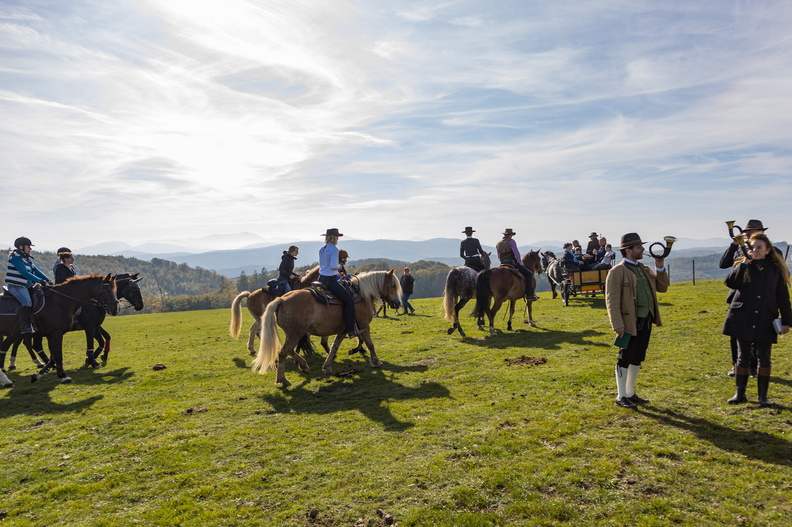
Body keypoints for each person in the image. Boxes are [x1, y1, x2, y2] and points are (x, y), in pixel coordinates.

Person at [722, 232, 791, 406]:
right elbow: (731, 283)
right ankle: (740, 394)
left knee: (764, 358)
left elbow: (783, 297)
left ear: (768, 250)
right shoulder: (743, 265)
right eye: (752, 247)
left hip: (766, 318)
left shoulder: (776, 270)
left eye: (759, 247)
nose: (755, 250)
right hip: (742, 316)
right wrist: (744, 263)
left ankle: (763, 397)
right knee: (742, 357)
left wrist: (787, 321)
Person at [605, 233, 669, 409]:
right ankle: (621, 395)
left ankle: (631, 393)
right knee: (625, 357)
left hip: (646, 320)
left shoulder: (644, 269)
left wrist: (660, 267)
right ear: (628, 250)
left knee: (638, 356)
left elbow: (662, 288)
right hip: (627, 322)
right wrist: (617, 324)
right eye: (639, 247)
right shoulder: (616, 272)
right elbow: (611, 301)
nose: (642, 250)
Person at [718, 219, 779, 377]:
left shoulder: (772, 250)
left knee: (756, 334)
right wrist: (733, 245)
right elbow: (723, 264)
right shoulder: (740, 249)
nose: (748, 234)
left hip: (761, 298)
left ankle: (752, 366)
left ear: (762, 232)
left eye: (751, 232)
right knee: (736, 334)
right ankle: (736, 365)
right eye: (746, 232)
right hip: (738, 297)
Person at [6, 237, 51, 334]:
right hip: (16, 286)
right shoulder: (16, 258)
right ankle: (24, 327)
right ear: (21, 247)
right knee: (27, 302)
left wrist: (47, 279)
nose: (30, 249)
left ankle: (33, 323)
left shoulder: (27, 258)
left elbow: (36, 270)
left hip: (25, 286)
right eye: (29, 246)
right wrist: (40, 281)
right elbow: (24, 273)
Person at [318, 228, 357, 338]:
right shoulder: (334, 249)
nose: (338, 239)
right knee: (349, 301)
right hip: (330, 280)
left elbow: (323, 265)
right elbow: (333, 266)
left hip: (321, 278)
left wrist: (335, 272)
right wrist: (339, 267)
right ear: (334, 237)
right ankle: (350, 330)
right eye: (337, 237)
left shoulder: (322, 248)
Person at [495, 228, 537, 301]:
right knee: (529, 274)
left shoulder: (498, 243)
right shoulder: (511, 242)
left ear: (505, 234)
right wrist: (520, 263)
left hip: (502, 263)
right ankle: (529, 294)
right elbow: (516, 254)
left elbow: (499, 256)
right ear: (511, 235)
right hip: (513, 263)